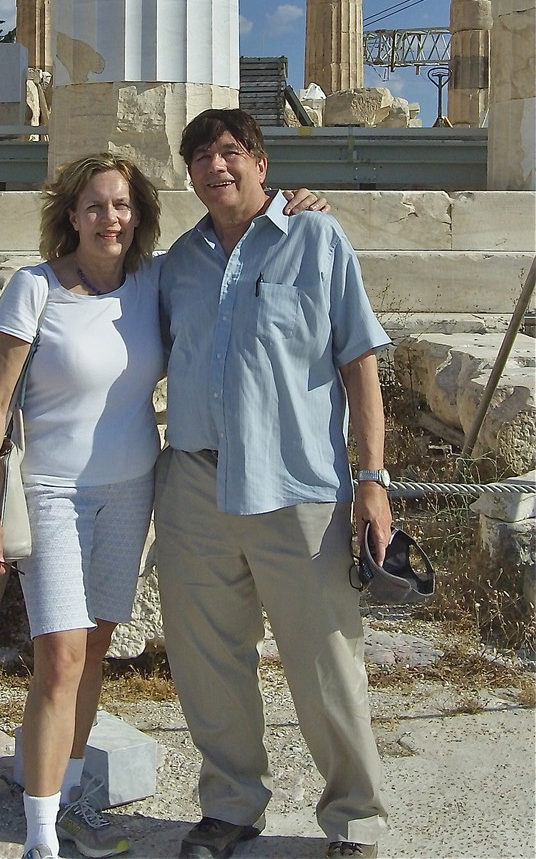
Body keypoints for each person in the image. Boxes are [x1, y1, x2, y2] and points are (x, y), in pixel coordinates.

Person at [0, 149, 327, 859]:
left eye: (123, 205)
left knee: (94, 651)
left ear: (140, 215)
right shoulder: (34, 289)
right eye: (95, 205)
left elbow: (232, 247)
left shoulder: (153, 280)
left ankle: (65, 802)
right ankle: (39, 840)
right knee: (60, 659)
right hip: (54, 494)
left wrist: (289, 207)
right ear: (71, 215)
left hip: (131, 491)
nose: (110, 218)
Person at [155, 109, 392, 859]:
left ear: (261, 163)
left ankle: (355, 820)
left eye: (229, 152)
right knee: (209, 664)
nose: (214, 167)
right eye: (199, 157)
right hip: (195, 484)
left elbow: (359, 361)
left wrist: (373, 479)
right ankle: (231, 806)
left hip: (298, 489)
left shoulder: (317, 237)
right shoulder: (178, 262)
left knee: (327, 664)